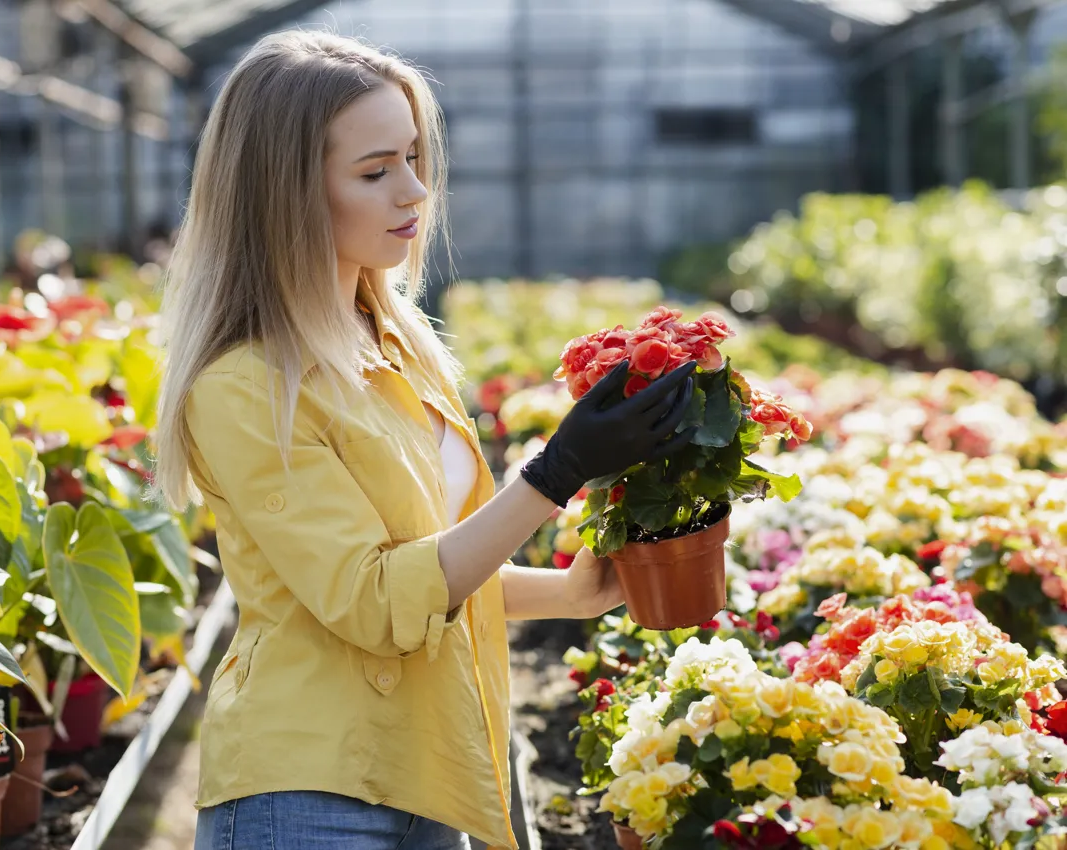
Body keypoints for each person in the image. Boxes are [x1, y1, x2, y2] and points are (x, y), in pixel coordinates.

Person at [153, 30, 695, 850]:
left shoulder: (397, 343)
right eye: (374, 172)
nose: (414, 191)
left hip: (429, 775)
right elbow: (375, 601)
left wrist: (577, 594)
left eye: (413, 157)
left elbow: (435, 569)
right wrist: (557, 471)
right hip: (307, 792)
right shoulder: (244, 385)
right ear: (286, 194)